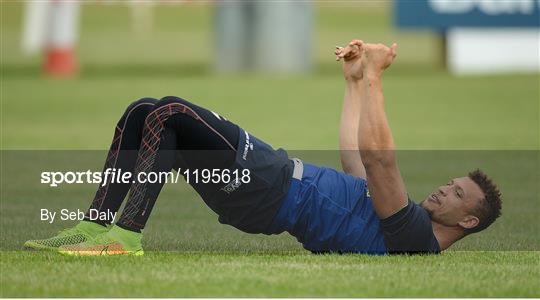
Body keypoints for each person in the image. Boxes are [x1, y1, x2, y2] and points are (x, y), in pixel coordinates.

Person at [24, 40, 502, 256]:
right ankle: (93, 229)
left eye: (458, 194)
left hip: (268, 187)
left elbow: (380, 157)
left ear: (468, 221)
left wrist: (376, 77)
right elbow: (356, 160)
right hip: (266, 188)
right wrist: (355, 82)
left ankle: (124, 239)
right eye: (451, 183)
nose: (444, 189)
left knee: (170, 110)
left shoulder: (416, 238)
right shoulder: (396, 224)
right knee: (144, 112)